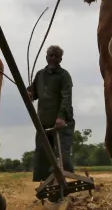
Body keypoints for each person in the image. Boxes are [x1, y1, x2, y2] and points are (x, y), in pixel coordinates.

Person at [27, 44, 75, 183]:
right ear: (46, 57)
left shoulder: (64, 76)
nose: (53, 59)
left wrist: (61, 116)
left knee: (63, 155)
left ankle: (67, 183)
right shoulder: (40, 74)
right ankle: (48, 187)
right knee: (43, 156)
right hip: (43, 123)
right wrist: (30, 94)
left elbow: (67, 97)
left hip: (61, 123)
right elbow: (34, 93)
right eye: (51, 56)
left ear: (60, 59)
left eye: (57, 57)